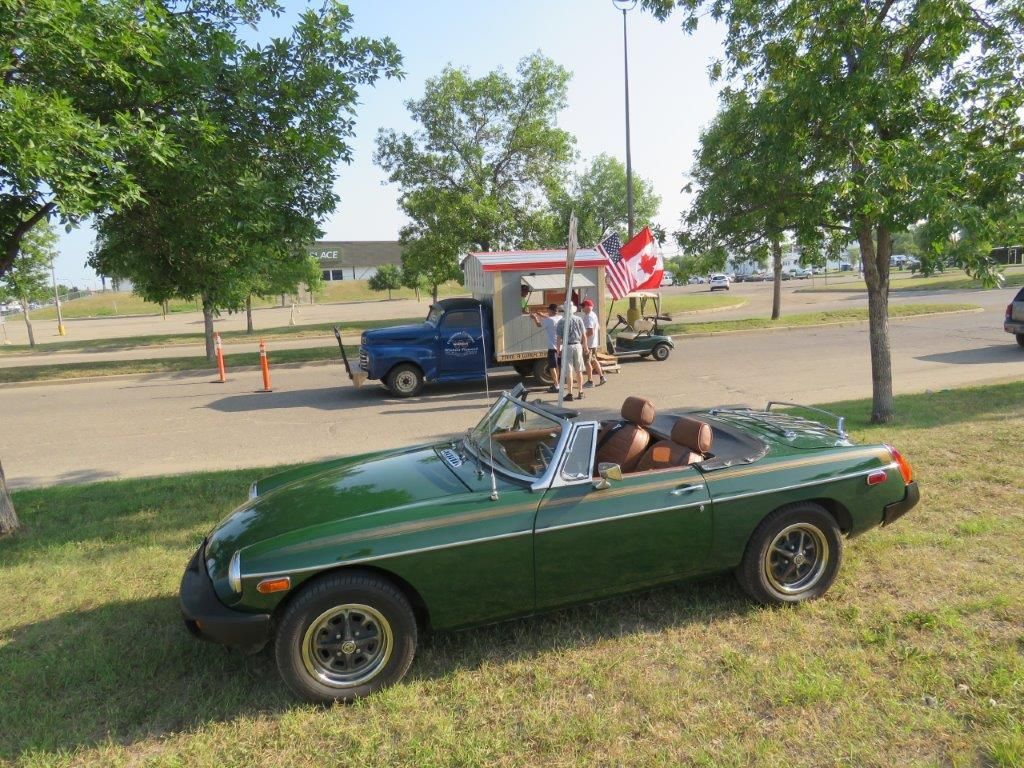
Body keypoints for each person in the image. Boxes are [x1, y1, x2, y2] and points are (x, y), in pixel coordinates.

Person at [554, 303, 586, 401]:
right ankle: (580, 391)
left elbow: (559, 338)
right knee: (579, 370)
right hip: (577, 345)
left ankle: (570, 393)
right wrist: (585, 346)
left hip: (567, 346)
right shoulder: (579, 319)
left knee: (569, 371)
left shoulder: (561, 321)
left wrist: (558, 350)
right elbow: (584, 335)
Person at [531, 303, 560, 392]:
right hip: (560, 346)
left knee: (552, 367)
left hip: (552, 347)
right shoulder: (560, 318)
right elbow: (551, 319)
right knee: (557, 366)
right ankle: (558, 383)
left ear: (551, 310)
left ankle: (556, 386)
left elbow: (539, 324)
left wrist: (535, 317)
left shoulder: (549, 320)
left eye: (548, 310)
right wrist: (542, 315)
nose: (547, 311)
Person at [580, 299, 607, 387]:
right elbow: (598, 327)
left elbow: (590, 331)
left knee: (587, 362)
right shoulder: (594, 315)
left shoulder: (588, 317)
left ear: (588, 307)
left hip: (588, 344)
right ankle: (602, 377)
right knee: (594, 360)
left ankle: (590, 381)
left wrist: (583, 340)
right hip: (594, 343)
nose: (582, 308)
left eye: (583, 306)